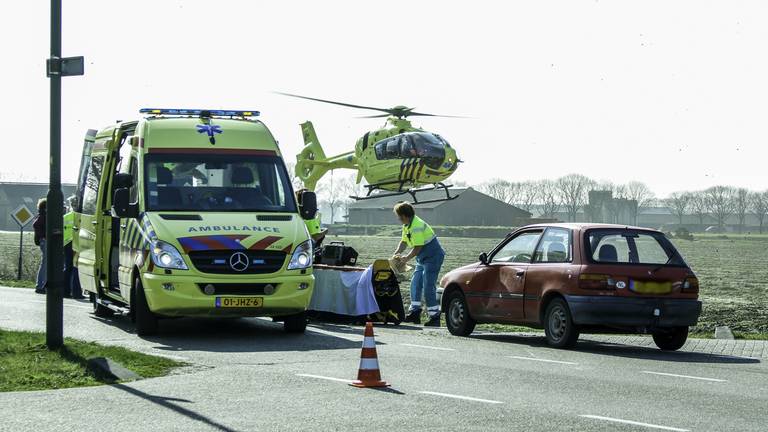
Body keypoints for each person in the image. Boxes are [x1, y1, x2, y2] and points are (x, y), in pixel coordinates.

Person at [391, 202, 445, 326]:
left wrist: (406, 259)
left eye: (399, 216)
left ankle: (435, 316)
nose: (398, 219)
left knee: (428, 286)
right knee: (415, 283)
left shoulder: (416, 226)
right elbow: (404, 241)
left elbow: (418, 247)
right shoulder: (407, 225)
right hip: (422, 258)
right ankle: (415, 313)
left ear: (404, 215)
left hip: (432, 257)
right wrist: (397, 252)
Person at [63, 198, 83, 299]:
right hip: (77, 244)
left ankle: (65, 291)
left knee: (67, 268)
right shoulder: (80, 217)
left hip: (66, 244)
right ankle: (76, 292)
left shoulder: (66, 216)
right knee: (76, 268)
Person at [32, 198, 47, 294]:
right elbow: (36, 224)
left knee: (46, 263)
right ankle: (40, 285)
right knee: (45, 263)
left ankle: (42, 284)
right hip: (45, 241)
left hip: (44, 241)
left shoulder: (43, 214)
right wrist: (43, 236)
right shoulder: (43, 215)